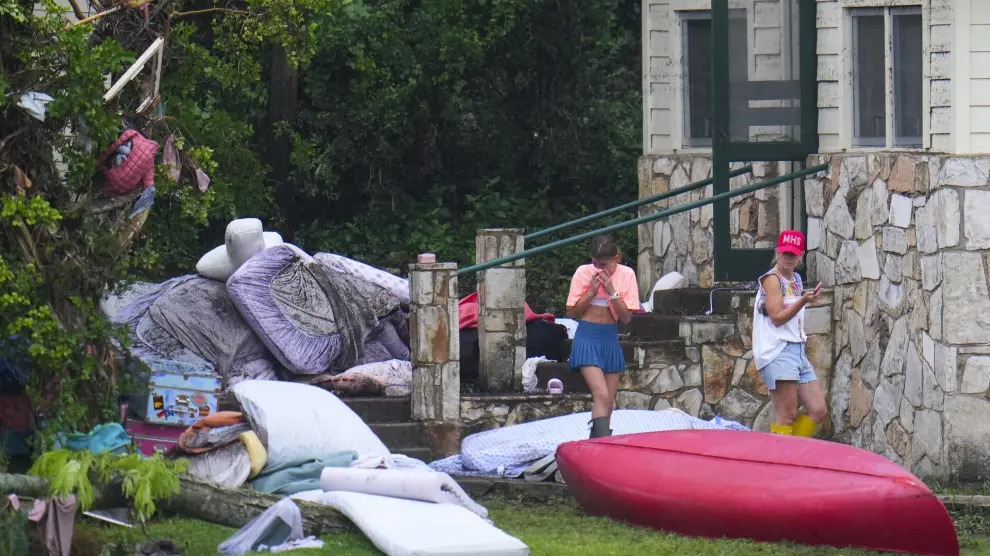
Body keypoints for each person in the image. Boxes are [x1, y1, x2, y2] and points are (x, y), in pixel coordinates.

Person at [752, 229, 828, 437]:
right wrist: (803, 301)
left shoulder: (796, 279)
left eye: (793, 254)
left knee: (818, 409)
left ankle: (788, 450)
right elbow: (777, 317)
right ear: (778, 251)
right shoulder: (772, 279)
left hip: (796, 349)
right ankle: (779, 455)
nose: (788, 258)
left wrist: (803, 299)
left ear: (800, 256)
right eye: (785, 252)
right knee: (787, 416)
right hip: (777, 350)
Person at [565, 234, 640, 438]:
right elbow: (571, 313)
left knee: (609, 400)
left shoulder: (627, 274)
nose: (599, 269)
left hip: (609, 338)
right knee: (602, 394)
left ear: (616, 258)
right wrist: (591, 292)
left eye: (603, 264)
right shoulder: (583, 272)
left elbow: (626, 317)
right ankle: (598, 444)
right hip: (587, 337)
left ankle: (600, 443)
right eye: (595, 263)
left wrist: (611, 291)